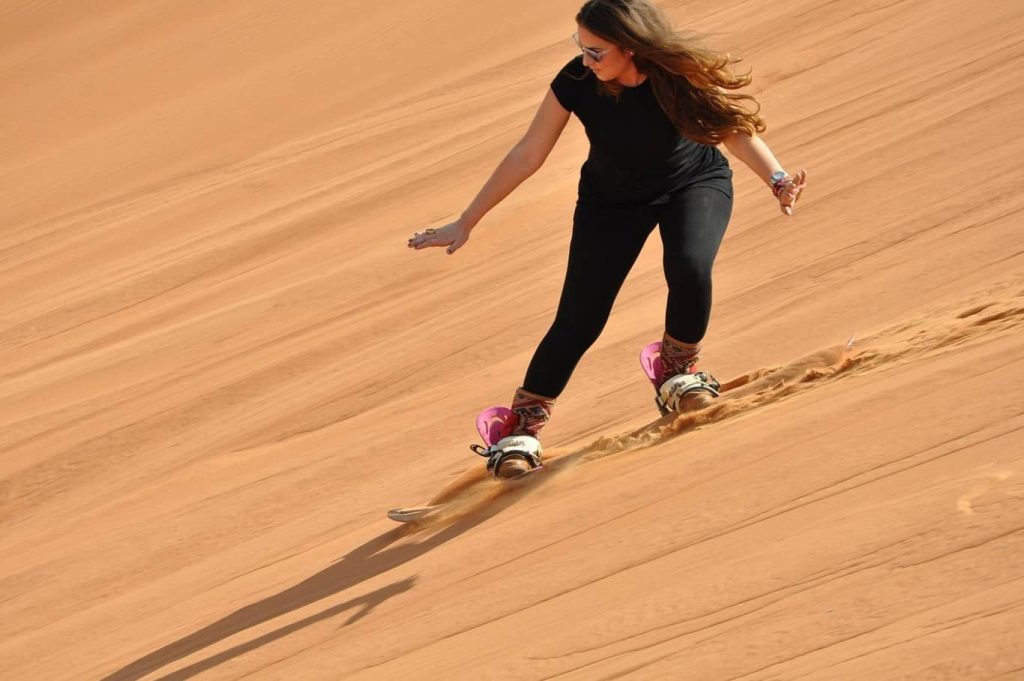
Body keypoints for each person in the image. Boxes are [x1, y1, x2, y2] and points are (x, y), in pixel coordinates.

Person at [408, 0, 806, 477]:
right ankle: (520, 430)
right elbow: (527, 154)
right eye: (581, 47)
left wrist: (777, 178)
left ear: (632, 49)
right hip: (610, 202)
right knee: (580, 317)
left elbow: (731, 132)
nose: (585, 59)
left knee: (690, 266)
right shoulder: (575, 82)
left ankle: (677, 372)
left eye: (596, 51)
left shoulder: (675, 75)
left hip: (693, 182)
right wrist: (466, 220)